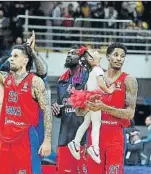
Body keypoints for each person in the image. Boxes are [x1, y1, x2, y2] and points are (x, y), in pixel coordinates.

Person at [0, 28, 52, 174]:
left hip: (26, 136)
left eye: (15, 56)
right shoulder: (4, 78)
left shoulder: (35, 82)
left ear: (25, 61)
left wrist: (47, 140)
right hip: (5, 136)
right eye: (10, 56)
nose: (11, 58)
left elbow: (47, 110)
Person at [81, 42, 138, 174]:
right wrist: (80, 106)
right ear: (108, 57)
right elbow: (82, 112)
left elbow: (130, 114)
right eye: (116, 55)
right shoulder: (95, 77)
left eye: (122, 56)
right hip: (94, 134)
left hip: (115, 135)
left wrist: (104, 108)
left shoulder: (129, 80)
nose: (119, 58)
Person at [68, 47, 115, 164]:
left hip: (89, 98)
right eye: (94, 52)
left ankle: (75, 142)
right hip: (95, 99)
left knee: (86, 122)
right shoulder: (98, 69)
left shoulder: (93, 71)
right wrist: (109, 90)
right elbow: (100, 84)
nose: (97, 52)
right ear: (90, 59)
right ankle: (95, 148)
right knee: (96, 124)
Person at [51, 47, 89, 174]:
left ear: (81, 58)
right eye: (67, 53)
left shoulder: (88, 77)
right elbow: (62, 108)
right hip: (64, 138)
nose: (69, 55)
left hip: (84, 139)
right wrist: (56, 109)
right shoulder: (61, 82)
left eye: (73, 53)